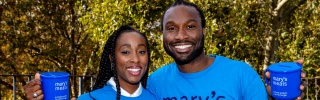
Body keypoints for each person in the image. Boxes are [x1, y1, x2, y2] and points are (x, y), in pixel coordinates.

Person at [146, 0, 305, 100]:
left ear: (204, 31)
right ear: (163, 35)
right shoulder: (155, 82)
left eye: (190, 26)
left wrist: (279, 96)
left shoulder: (241, 74)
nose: (181, 35)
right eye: (171, 28)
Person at [24, 25, 157, 100]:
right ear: (112, 59)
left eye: (141, 51)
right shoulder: (89, 99)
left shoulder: (155, 97)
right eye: (126, 52)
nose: (135, 59)